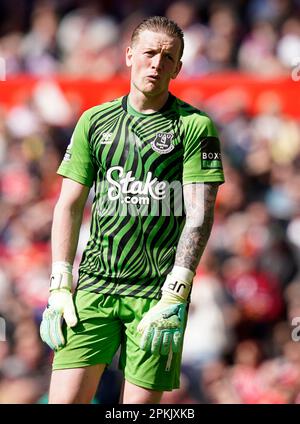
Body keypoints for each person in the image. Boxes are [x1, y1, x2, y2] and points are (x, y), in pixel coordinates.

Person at [40, 15, 225, 404]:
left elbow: (199, 214)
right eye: (149, 53)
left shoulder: (195, 127)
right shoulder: (94, 120)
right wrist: (59, 282)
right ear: (129, 56)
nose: (157, 63)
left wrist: (178, 289)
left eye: (168, 57)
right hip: (93, 285)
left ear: (178, 67)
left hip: (157, 294)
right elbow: (69, 204)